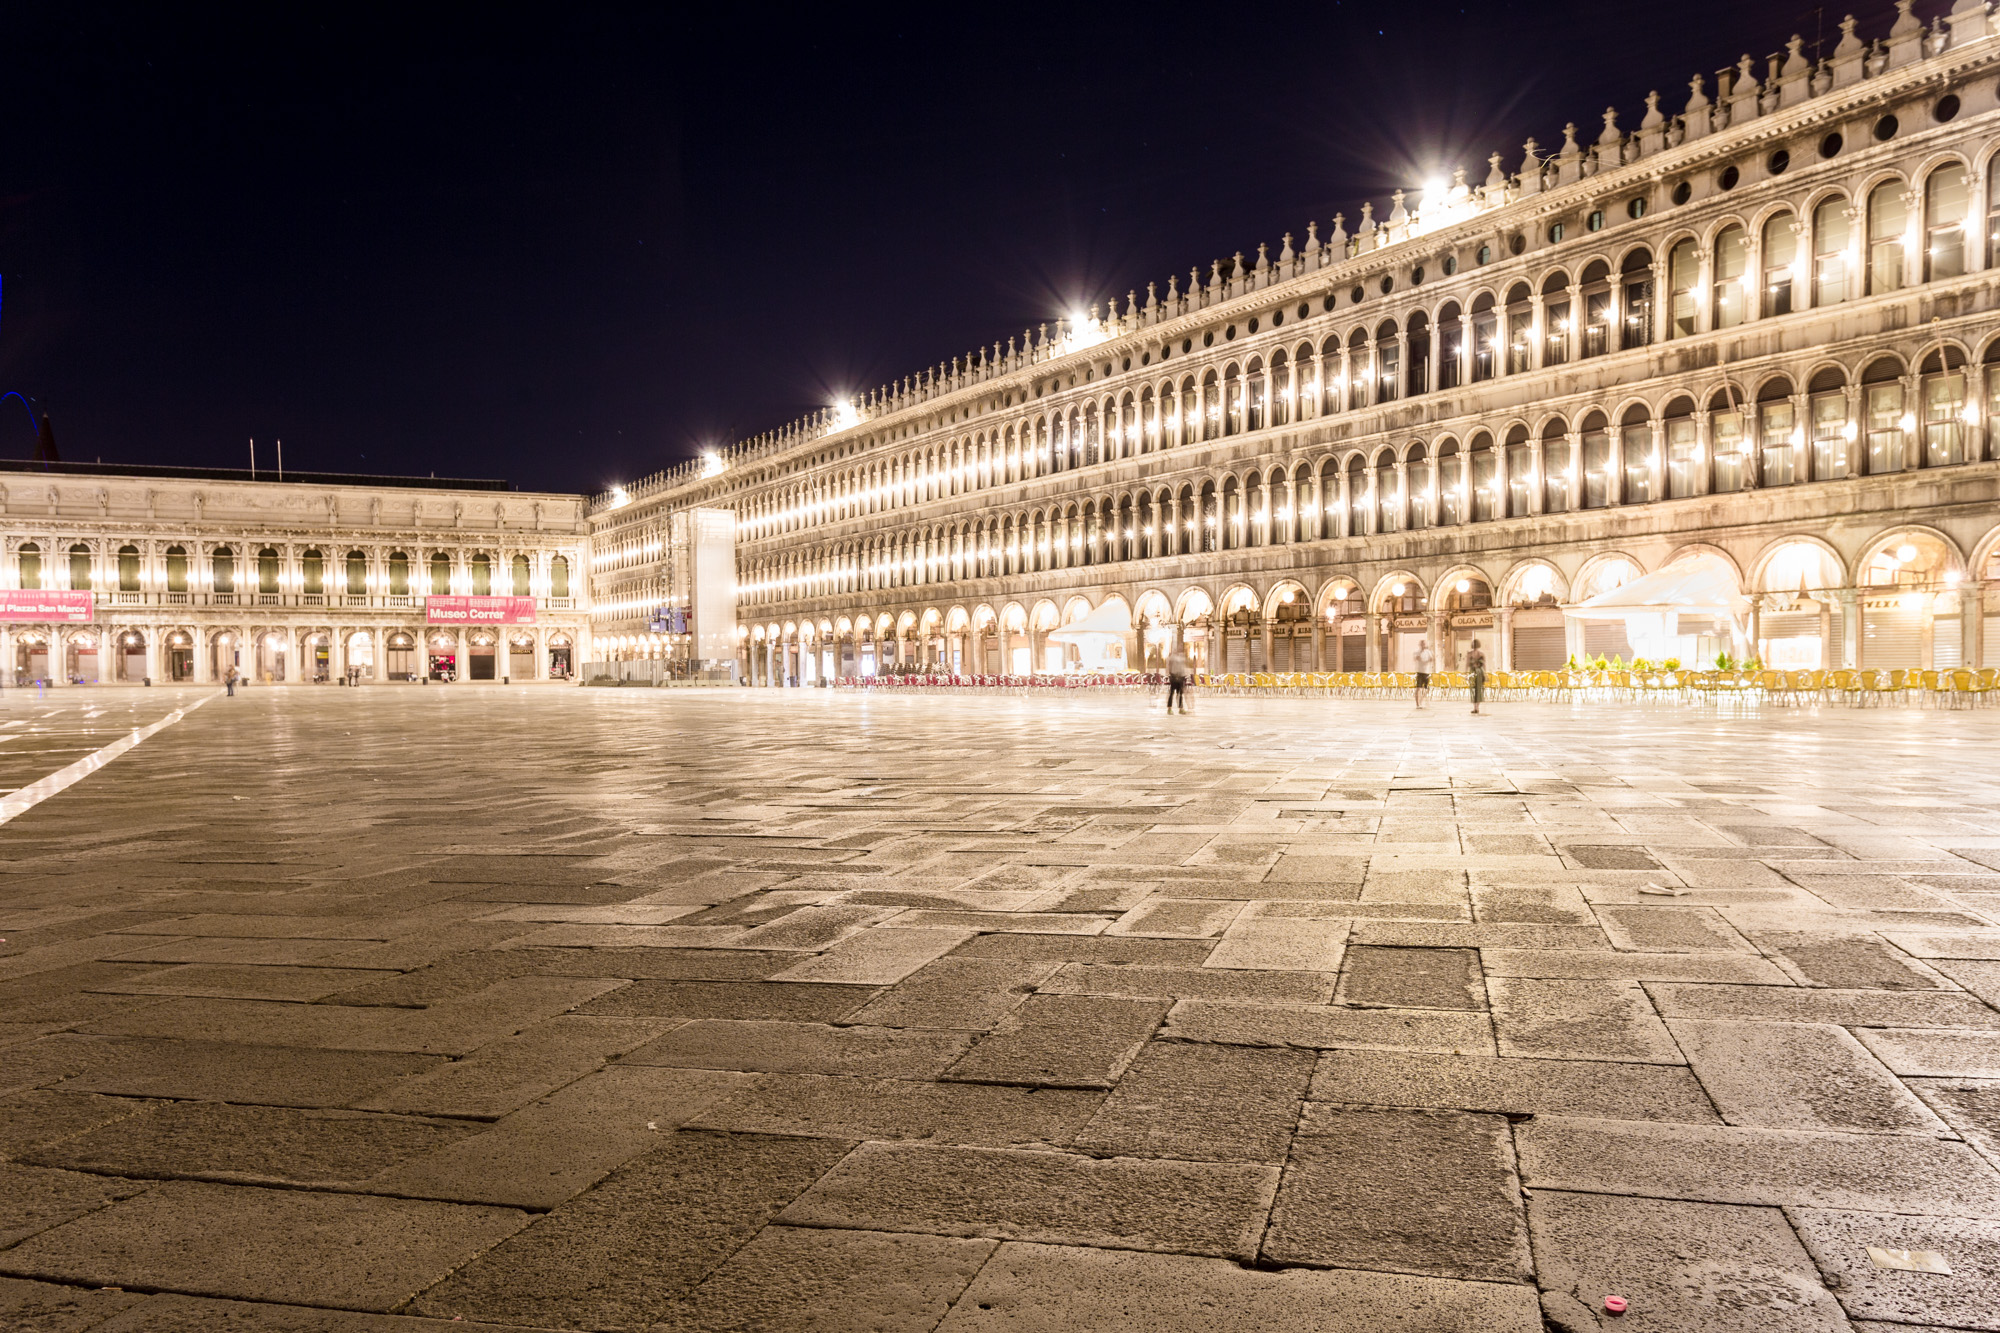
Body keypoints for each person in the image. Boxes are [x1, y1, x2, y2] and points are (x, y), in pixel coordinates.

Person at [1166, 645, 1192, 714]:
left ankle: (1180, 708)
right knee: (1172, 693)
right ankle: (1170, 708)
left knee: (1180, 694)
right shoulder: (1173, 657)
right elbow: (1169, 666)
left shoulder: (1181, 657)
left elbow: (1182, 667)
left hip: (1180, 677)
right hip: (1174, 677)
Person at [1468, 638, 1488, 715]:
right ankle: (1477, 707)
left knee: (1473, 689)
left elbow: (1467, 664)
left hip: (1472, 672)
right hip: (1480, 673)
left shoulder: (1469, 654)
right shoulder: (1481, 653)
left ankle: (1475, 708)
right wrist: (1485, 673)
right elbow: (1484, 664)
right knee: (1478, 689)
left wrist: (1467, 674)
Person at [1413, 639, 1434, 709]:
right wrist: (1420, 652)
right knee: (1418, 688)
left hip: (1426, 672)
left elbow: (1432, 659)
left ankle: (1421, 701)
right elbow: (1416, 658)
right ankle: (1417, 704)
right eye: (1422, 644)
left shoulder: (1428, 652)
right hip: (1419, 671)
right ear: (1420, 645)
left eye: (1424, 644)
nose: (1423, 645)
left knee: (1425, 688)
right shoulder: (1417, 651)